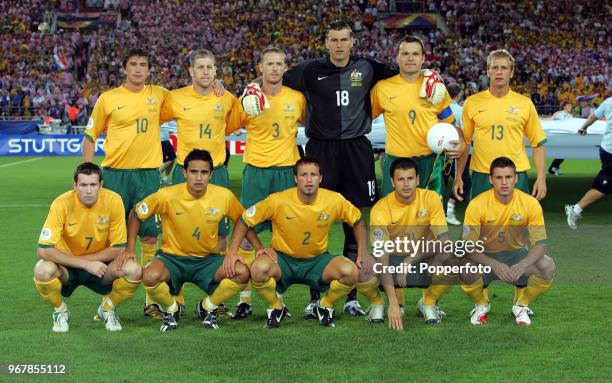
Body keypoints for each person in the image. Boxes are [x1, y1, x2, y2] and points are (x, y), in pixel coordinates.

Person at [225, 157, 384, 328]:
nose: (309, 180)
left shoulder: (334, 200)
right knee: (258, 269)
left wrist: (362, 251)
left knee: (351, 272)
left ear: (321, 178)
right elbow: (244, 220)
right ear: (295, 178)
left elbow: (358, 221)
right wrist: (241, 251)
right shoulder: (278, 200)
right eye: (303, 175)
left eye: (313, 175)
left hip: (317, 261)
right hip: (282, 260)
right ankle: (275, 307)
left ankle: (325, 306)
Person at [118, 149, 262, 332]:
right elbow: (137, 214)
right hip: (172, 259)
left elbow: (243, 221)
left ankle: (207, 306)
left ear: (211, 174)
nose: (198, 178)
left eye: (204, 172)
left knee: (242, 272)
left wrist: (255, 248)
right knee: (148, 275)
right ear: (185, 173)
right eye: (193, 172)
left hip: (207, 260)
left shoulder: (224, 196)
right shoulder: (166, 195)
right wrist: (130, 248)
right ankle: (172, 308)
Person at [81, 48, 169, 320]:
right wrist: (89, 170)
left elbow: (192, 97)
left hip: (147, 176)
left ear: (149, 69)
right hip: (115, 174)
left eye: (143, 64)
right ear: (125, 68)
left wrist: (215, 85)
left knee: (150, 236)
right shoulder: (108, 99)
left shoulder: (159, 94)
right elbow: (89, 136)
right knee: (114, 239)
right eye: (133, 64)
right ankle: (108, 302)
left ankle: (151, 301)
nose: (139, 69)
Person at [232, 47, 307, 319]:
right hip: (256, 171)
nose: (275, 68)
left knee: (284, 237)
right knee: (247, 235)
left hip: (286, 172)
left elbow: (309, 123)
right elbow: (229, 125)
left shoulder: (297, 98)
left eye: (279, 64)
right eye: (269, 64)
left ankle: (278, 298)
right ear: (260, 67)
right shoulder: (248, 98)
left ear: (285, 67)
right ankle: (244, 299)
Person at [33, 162, 141, 333]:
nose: (89, 190)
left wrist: (88, 262)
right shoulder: (61, 203)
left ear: (101, 185)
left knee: (134, 270)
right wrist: (84, 264)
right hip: (67, 267)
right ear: (75, 185)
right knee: (42, 270)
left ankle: (107, 308)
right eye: (83, 185)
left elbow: (119, 249)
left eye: (93, 185)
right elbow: (43, 250)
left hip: (101, 266)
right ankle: (60, 310)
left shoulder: (113, 200)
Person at [460, 157, 555, 325]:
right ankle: (482, 305)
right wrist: (494, 264)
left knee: (548, 266)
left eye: (508, 177)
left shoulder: (530, 203)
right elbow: (468, 246)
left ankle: (521, 305)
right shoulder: (477, 204)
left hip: (516, 256)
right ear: (491, 179)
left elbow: (540, 244)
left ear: (516, 178)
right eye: (498, 177)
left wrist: (523, 264)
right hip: (485, 256)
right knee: (464, 268)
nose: (504, 182)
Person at [371, 35, 465, 199]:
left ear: (423, 58)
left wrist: (461, 142)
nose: (410, 58)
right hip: (396, 160)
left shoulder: (435, 87)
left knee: (431, 219)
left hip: (429, 162)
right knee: (393, 218)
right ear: (397, 57)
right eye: (405, 53)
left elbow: (450, 123)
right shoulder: (382, 88)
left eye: (415, 54)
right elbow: (363, 118)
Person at [371, 158, 456, 330]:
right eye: (400, 179)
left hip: (419, 257)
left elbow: (444, 243)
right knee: (364, 267)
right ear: (392, 182)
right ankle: (380, 303)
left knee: (451, 260)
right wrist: (393, 304)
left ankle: (428, 303)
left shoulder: (431, 198)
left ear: (417, 180)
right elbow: (382, 257)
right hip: (391, 260)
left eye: (410, 178)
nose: (406, 184)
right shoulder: (380, 209)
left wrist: (409, 260)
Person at [453, 49, 548, 203]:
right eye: (495, 68)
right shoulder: (472, 103)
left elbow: (537, 143)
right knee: (480, 226)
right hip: (482, 174)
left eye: (504, 68)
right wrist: (458, 176)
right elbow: (464, 143)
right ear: (488, 71)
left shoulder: (524, 103)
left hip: (516, 174)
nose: (499, 72)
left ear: (511, 73)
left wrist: (541, 178)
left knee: (515, 226)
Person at [565, 95, 612, 229]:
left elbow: (593, 117)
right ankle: (575, 209)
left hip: (606, 149)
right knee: (602, 187)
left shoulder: (608, 101)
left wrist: (583, 127)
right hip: (610, 152)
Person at [444, 82, 471, 225]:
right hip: (456, 153)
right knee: (463, 182)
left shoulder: (438, 108)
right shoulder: (460, 110)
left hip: (439, 152)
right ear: (459, 95)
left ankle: (440, 212)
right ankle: (449, 210)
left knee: (440, 183)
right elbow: (467, 135)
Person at [548, 101, 574, 176]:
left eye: (571, 106)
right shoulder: (558, 113)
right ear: (564, 107)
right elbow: (550, 121)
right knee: (562, 153)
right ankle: (554, 168)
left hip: (566, 137)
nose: (570, 107)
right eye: (568, 105)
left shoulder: (571, 116)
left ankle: (553, 169)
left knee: (563, 153)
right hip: (558, 137)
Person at [160, 120, 177, 185]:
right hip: (161, 139)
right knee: (170, 160)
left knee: (172, 159)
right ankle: (155, 176)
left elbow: (172, 124)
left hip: (165, 139)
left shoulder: (166, 115)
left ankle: (165, 179)